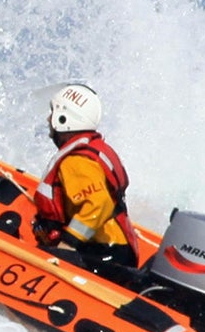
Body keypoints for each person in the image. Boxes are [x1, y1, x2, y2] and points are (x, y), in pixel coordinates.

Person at [32, 83, 144, 284]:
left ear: (63, 119)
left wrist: (69, 243)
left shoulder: (76, 161)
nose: (49, 119)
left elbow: (98, 204)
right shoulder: (92, 148)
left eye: (53, 113)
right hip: (118, 250)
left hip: (104, 254)